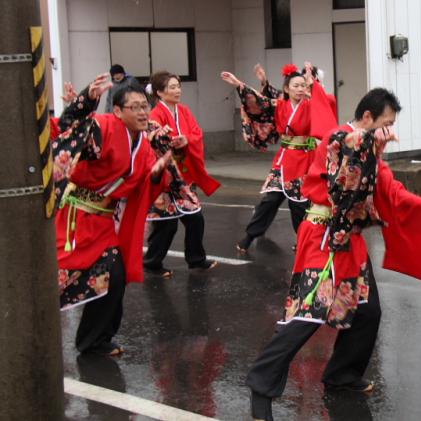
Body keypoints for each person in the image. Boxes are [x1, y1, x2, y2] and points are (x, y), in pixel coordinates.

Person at [245, 88, 421, 421]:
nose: (388, 131)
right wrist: (371, 142)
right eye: (385, 123)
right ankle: (261, 386)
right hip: (324, 238)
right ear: (367, 118)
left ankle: (341, 375)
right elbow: (345, 168)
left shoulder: (370, 150)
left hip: (350, 242)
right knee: (307, 316)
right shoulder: (339, 138)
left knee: (367, 312)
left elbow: (392, 191)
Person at [54, 74, 173, 355]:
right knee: (57, 277)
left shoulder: (141, 143)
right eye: (135, 107)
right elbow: (73, 133)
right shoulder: (106, 127)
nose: (144, 112)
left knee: (114, 277)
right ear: (118, 111)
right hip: (76, 219)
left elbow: (144, 182)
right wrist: (85, 102)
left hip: (103, 220)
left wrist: (156, 174)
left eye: (145, 106)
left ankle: (95, 340)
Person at [220, 63, 337, 253]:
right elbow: (259, 102)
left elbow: (329, 102)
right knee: (271, 199)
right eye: (295, 86)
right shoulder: (280, 105)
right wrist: (239, 85)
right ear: (286, 89)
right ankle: (250, 236)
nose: (300, 89)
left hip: (305, 160)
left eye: (303, 85)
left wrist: (314, 89)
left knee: (298, 204)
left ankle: (303, 240)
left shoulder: (312, 104)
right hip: (284, 160)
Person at [143, 71, 220, 277]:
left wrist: (186, 140)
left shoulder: (183, 110)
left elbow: (196, 133)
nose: (177, 90)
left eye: (178, 86)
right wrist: (169, 143)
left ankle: (196, 259)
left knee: (195, 218)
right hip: (166, 177)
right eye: (172, 87)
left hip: (183, 175)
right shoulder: (155, 115)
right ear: (159, 92)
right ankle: (152, 263)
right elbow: (152, 139)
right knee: (166, 224)